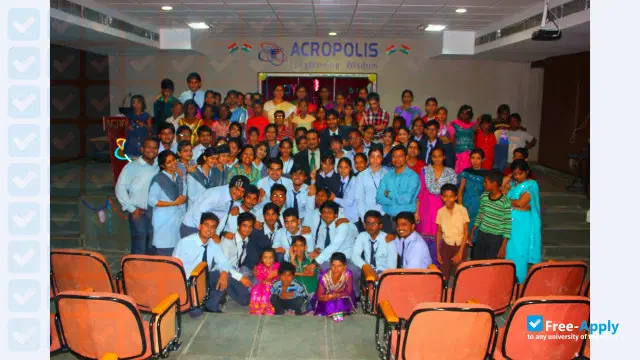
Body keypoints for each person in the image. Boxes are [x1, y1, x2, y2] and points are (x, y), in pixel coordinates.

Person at [172, 212, 230, 317]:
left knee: (222, 275)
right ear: (199, 226)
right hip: (187, 282)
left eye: (213, 227)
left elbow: (224, 262)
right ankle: (194, 301)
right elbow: (174, 268)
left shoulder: (213, 244)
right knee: (196, 313)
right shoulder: (185, 243)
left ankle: (211, 305)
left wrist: (224, 273)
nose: (209, 230)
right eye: (206, 225)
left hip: (202, 279)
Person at [116, 138, 159, 254]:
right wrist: (132, 209)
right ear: (142, 149)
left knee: (152, 245)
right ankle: (135, 271)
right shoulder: (132, 167)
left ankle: (148, 271)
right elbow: (120, 188)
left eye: (155, 148)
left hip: (155, 213)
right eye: (148, 147)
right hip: (139, 213)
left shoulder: (159, 167)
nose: (152, 150)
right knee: (139, 246)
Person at [206, 212, 255, 312]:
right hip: (219, 272)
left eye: (250, 227)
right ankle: (212, 304)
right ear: (238, 226)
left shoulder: (247, 240)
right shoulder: (228, 240)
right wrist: (241, 278)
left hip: (233, 272)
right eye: (244, 226)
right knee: (225, 276)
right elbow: (223, 265)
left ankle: (225, 291)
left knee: (246, 300)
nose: (247, 229)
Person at [417, 147, 458, 263]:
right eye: (434, 156)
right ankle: (423, 266)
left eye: (439, 156)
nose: (437, 159)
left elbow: (453, 192)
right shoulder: (425, 170)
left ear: (444, 157)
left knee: (440, 235)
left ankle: (437, 267)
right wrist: (416, 211)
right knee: (424, 239)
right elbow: (420, 192)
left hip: (442, 206)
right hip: (426, 206)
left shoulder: (450, 172)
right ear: (431, 157)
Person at [505, 160, 541, 283]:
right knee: (509, 249)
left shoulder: (531, 185)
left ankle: (520, 281)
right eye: (515, 174)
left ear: (527, 172)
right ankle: (508, 280)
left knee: (520, 251)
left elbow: (522, 203)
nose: (518, 176)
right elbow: (502, 196)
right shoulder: (512, 184)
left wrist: (508, 202)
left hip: (522, 224)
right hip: (511, 222)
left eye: (520, 174)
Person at [181, 175, 249, 237]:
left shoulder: (232, 196)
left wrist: (236, 207)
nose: (238, 193)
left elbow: (234, 203)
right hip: (192, 226)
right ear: (230, 186)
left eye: (242, 191)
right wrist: (206, 231)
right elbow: (197, 211)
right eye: (236, 189)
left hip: (206, 227)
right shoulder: (216, 194)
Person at [148, 151, 187, 256]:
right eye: (169, 162)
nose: (173, 163)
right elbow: (152, 201)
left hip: (179, 218)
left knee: (177, 251)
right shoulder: (158, 179)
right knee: (164, 251)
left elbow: (183, 196)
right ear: (162, 165)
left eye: (174, 160)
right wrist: (173, 203)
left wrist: (182, 200)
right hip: (164, 220)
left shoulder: (179, 177)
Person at [350, 210, 397, 294]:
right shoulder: (362, 236)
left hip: (384, 274)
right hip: (368, 272)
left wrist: (381, 277)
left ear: (380, 226)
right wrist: (366, 267)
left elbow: (392, 267)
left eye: (374, 224)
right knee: (353, 269)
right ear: (364, 225)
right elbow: (354, 255)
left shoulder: (388, 239)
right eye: (367, 223)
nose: (370, 226)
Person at [376, 145, 420, 234]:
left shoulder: (413, 177)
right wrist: (396, 200)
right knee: (387, 247)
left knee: (404, 247)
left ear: (406, 157)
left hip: (405, 220)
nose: (397, 159)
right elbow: (379, 198)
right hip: (388, 219)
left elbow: (407, 199)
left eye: (400, 156)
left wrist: (389, 194)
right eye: (394, 156)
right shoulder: (387, 176)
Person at [469, 171, 512, 260]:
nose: (484, 184)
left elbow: (508, 225)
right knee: (477, 260)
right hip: (482, 234)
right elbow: (480, 214)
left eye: (486, 182)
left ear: (494, 183)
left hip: (495, 238)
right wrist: (473, 231)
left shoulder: (505, 201)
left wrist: (503, 247)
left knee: (489, 263)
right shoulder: (484, 196)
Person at [305, 201, 358, 272]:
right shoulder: (323, 226)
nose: (326, 215)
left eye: (329, 212)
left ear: (336, 215)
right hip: (330, 257)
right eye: (324, 212)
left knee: (321, 268)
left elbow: (334, 246)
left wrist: (315, 262)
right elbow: (320, 244)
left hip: (345, 259)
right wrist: (318, 250)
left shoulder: (342, 225)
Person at [435, 184, 470, 282]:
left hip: (460, 245)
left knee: (459, 274)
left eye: (451, 196)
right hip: (446, 246)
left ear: (455, 197)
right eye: (445, 196)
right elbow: (438, 233)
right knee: (444, 274)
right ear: (441, 197)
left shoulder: (462, 210)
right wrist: (438, 252)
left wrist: (460, 252)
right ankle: (444, 293)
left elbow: (466, 231)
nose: (448, 199)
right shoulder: (440, 212)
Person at [311, 252, 356, 322]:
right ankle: (336, 313)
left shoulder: (348, 274)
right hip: (326, 296)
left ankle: (337, 313)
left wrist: (336, 295)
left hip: (342, 294)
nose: (336, 268)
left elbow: (348, 291)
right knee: (330, 304)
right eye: (333, 265)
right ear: (330, 265)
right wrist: (329, 297)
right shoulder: (324, 277)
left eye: (339, 266)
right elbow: (320, 296)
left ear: (345, 267)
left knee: (341, 301)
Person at [355, 147, 388, 229]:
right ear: (369, 158)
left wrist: (381, 217)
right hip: (366, 217)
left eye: (378, 156)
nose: (375, 159)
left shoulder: (388, 175)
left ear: (382, 158)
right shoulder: (361, 176)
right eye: (372, 156)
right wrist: (364, 219)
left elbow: (388, 196)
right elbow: (359, 199)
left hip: (383, 216)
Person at [458, 149, 487, 234]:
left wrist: (484, 209)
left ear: (483, 160)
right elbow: (461, 190)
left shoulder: (486, 174)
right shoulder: (466, 172)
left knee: (475, 230)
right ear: (469, 158)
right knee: (463, 229)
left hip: (478, 205)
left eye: (478, 158)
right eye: (473, 158)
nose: (475, 161)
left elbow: (486, 193)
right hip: (465, 203)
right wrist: (460, 207)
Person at [249, 248, 280, 315]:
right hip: (263, 283)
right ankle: (256, 308)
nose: (268, 260)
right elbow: (259, 277)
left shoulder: (277, 266)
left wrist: (270, 280)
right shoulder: (259, 267)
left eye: (270, 257)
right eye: (265, 258)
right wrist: (264, 281)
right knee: (255, 290)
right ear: (261, 259)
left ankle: (267, 308)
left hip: (274, 284)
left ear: (274, 258)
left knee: (267, 288)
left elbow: (279, 276)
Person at [449, 105, 477, 174]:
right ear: (459, 114)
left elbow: (474, 140)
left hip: (470, 153)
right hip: (458, 153)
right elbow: (452, 140)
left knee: (469, 173)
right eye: (462, 113)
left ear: (470, 115)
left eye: (466, 114)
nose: (464, 115)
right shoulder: (454, 124)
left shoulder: (474, 125)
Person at [332, 158, 358, 225]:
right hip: (342, 214)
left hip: (352, 218)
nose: (343, 170)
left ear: (351, 168)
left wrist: (334, 199)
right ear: (337, 168)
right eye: (341, 167)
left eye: (346, 167)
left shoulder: (354, 181)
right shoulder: (340, 180)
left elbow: (349, 202)